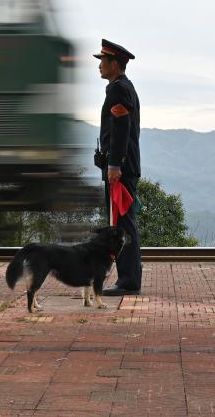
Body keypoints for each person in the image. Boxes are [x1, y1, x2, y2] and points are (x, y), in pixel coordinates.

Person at [93, 38, 142, 296]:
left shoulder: (119, 89)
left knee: (122, 224)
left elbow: (121, 127)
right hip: (123, 166)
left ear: (114, 64)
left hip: (119, 169)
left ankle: (128, 281)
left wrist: (114, 164)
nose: (99, 65)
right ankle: (129, 278)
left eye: (102, 61)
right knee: (123, 222)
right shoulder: (123, 87)